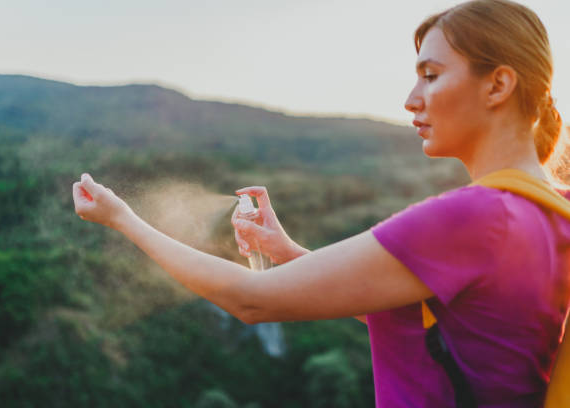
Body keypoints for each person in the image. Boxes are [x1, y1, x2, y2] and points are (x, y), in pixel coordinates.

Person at [72, 0, 567, 406]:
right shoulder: (551, 211)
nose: (411, 98)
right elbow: (442, 328)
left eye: (431, 75)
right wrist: (288, 254)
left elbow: (251, 300)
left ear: (499, 85)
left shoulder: (473, 217)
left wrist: (124, 220)